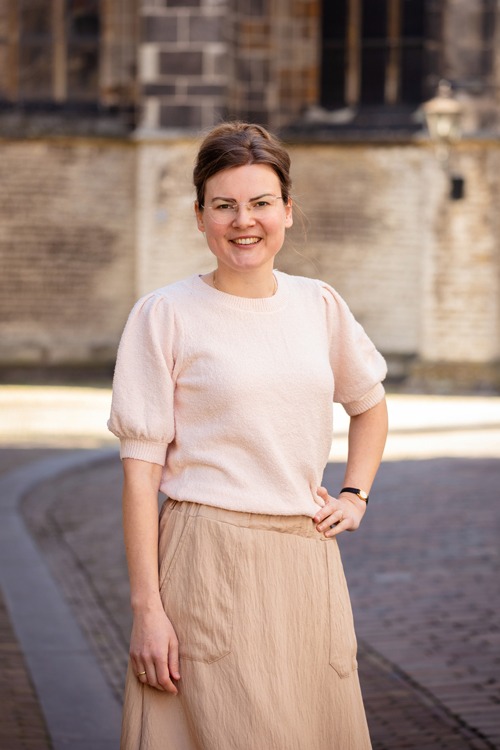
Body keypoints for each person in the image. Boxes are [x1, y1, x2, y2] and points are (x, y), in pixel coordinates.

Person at [108, 121, 388, 750]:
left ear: (287, 210)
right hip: (206, 560)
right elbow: (140, 475)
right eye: (224, 205)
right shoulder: (164, 314)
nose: (244, 221)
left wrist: (355, 495)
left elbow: (369, 406)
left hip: (306, 563)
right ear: (200, 216)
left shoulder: (320, 305)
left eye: (261, 202)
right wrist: (147, 609)